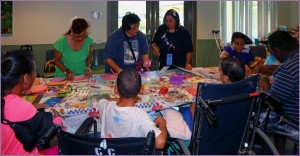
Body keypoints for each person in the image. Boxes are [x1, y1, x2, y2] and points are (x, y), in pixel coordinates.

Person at [1, 50, 61, 155]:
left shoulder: (7, 101)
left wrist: (31, 108)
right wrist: (57, 120)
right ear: (26, 78)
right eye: (35, 72)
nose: (36, 75)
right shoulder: (24, 108)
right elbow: (46, 134)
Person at [95, 69, 167, 149]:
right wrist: (162, 122)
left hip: (110, 152)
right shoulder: (140, 115)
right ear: (141, 90)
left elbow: (103, 100)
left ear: (115, 89)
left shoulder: (105, 106)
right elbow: (160, 143)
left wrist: (119, 100)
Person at [259, 30, 299, 154]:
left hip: (295, 123)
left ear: (277, 51)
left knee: (257, 115)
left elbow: (272, 101)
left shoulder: (287, 70)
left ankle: (265, 151)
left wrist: (265, 82)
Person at [180, 57, 246, 131]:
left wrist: (193, 104)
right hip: (234, 131)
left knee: (185, 109)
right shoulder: (246, 92)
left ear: (226, 77)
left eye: (220, 71)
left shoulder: (215, 93)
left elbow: (194, 109)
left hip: (209, 131)